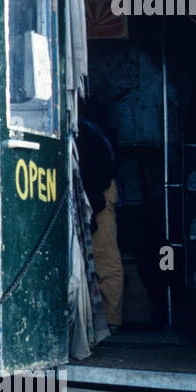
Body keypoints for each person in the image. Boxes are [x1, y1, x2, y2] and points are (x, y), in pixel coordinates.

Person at [78, 100, 123, 333]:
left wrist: (93, 206)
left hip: (100, 195)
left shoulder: (88, 133)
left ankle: (112, 319)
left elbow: (101, 173)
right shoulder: (91, 129)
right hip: (95, 193)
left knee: (105, 256)